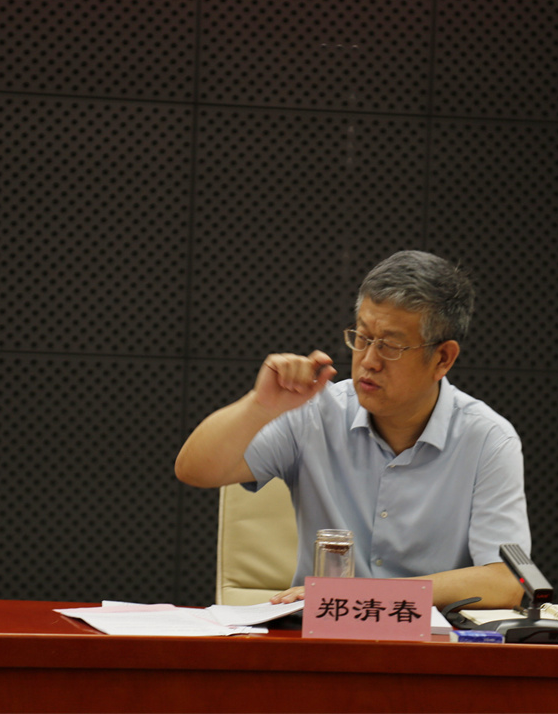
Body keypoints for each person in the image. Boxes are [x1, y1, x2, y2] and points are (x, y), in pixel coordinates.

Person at [174, 251, 531, 610]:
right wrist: (259, 406)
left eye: (390, 346)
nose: (369, 361)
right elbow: (194, 470)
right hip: (321, 632)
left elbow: (508, 581)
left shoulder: (487, 440)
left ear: (443, 358)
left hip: (427, 637)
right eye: (362, 337)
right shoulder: (313, 412)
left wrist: (368, 596)